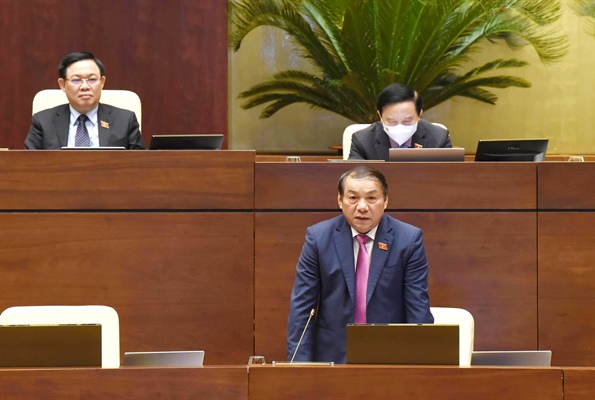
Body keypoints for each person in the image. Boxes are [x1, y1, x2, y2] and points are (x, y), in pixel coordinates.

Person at [287, 166, 433, 363]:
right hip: (332, 357)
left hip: (390, 357)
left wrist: (422, 367)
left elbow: (418, 309)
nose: (362, 207)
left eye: (371, 198)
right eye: (353, 198)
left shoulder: (408, 240)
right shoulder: (318, 239)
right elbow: (302, 309)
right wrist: (299, 368)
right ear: (340, 200)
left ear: (385, 201)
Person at [24, 51, 145, 149]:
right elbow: (28, 164)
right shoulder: (43, 122)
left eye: (92, 79)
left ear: (102, 82)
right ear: (62, 85)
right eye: (76, 80)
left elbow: (141, 164)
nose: (85, 86)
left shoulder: (125, 120)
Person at [348, 83, 451, 160]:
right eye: (392, 121)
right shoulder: (362, 140)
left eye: (407, 121)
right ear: (380, 116)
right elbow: (354, 178)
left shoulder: (439, 138)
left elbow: (450, 176)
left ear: (419, 115)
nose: (399, 127)